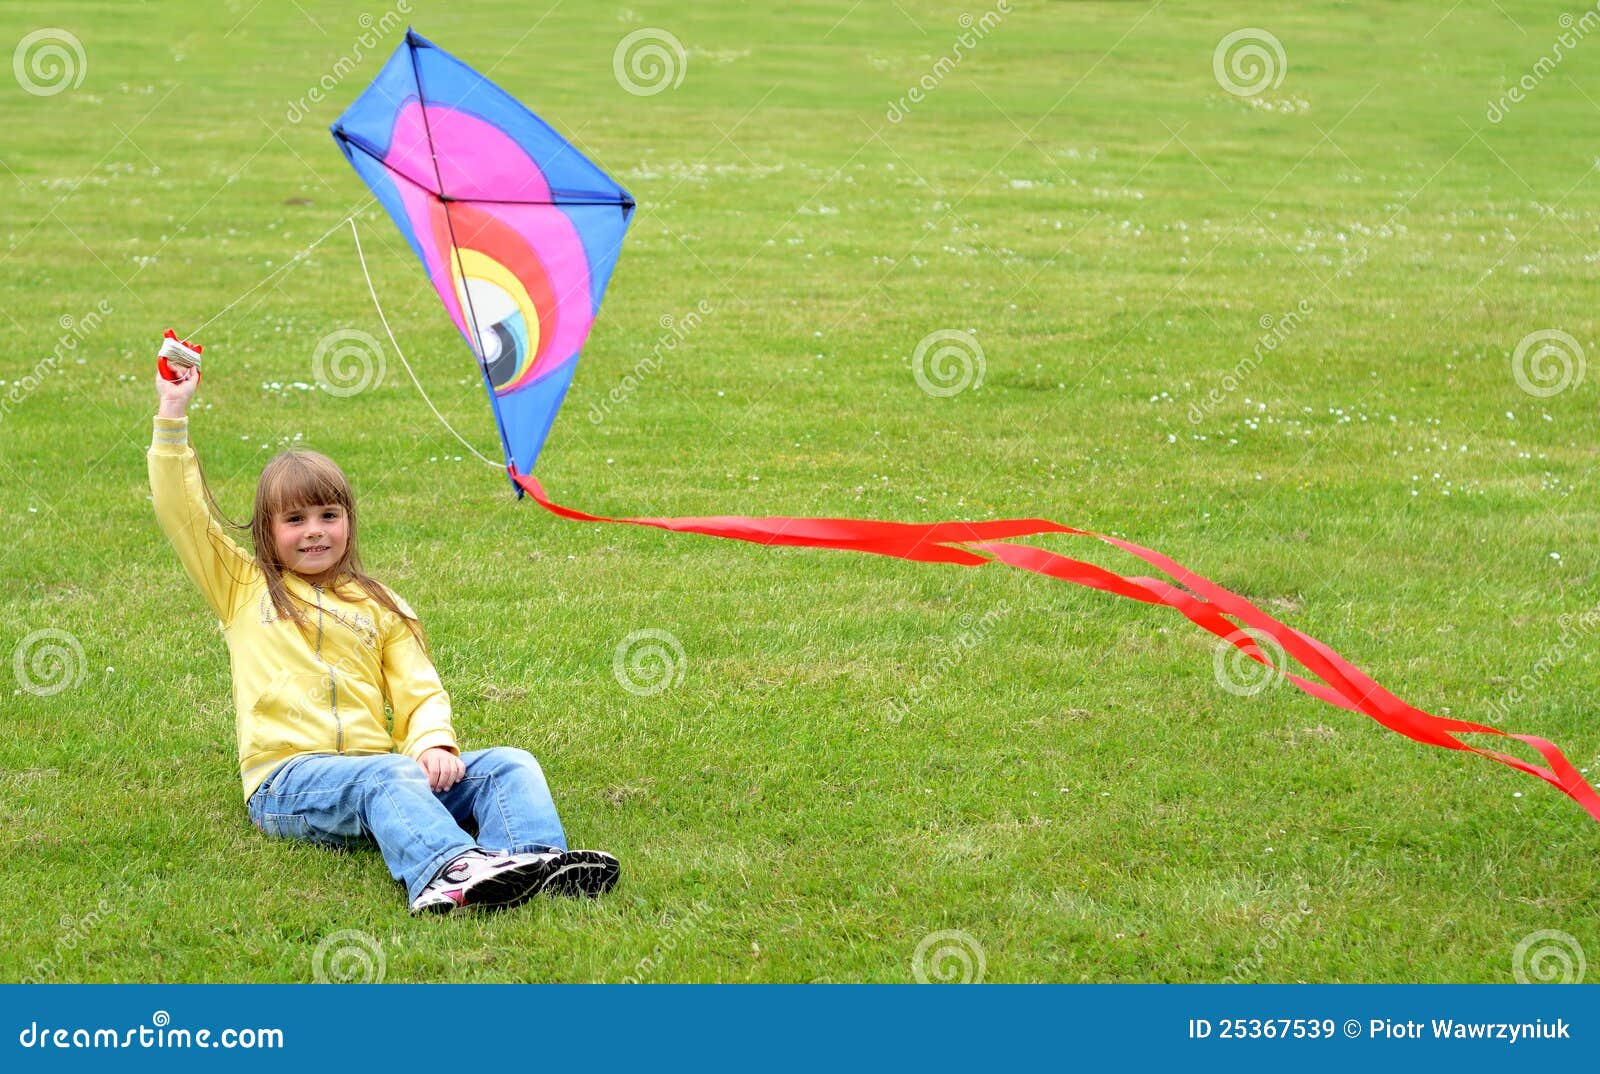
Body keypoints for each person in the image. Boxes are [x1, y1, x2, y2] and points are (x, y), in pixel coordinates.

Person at [148, 356, 618, 914]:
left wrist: (432, 742)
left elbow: (417, 689)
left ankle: (532, 861)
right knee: (386, 773)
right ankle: (446, 872)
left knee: (508, 764)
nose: (316, 531)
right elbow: (181, 511)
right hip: (289, 783)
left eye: (329, 514)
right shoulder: (242, 587)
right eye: (295, 520)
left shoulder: (381, 604)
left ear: (349, 520)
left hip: (388, 776)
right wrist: (172, 412)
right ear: (267, 533)